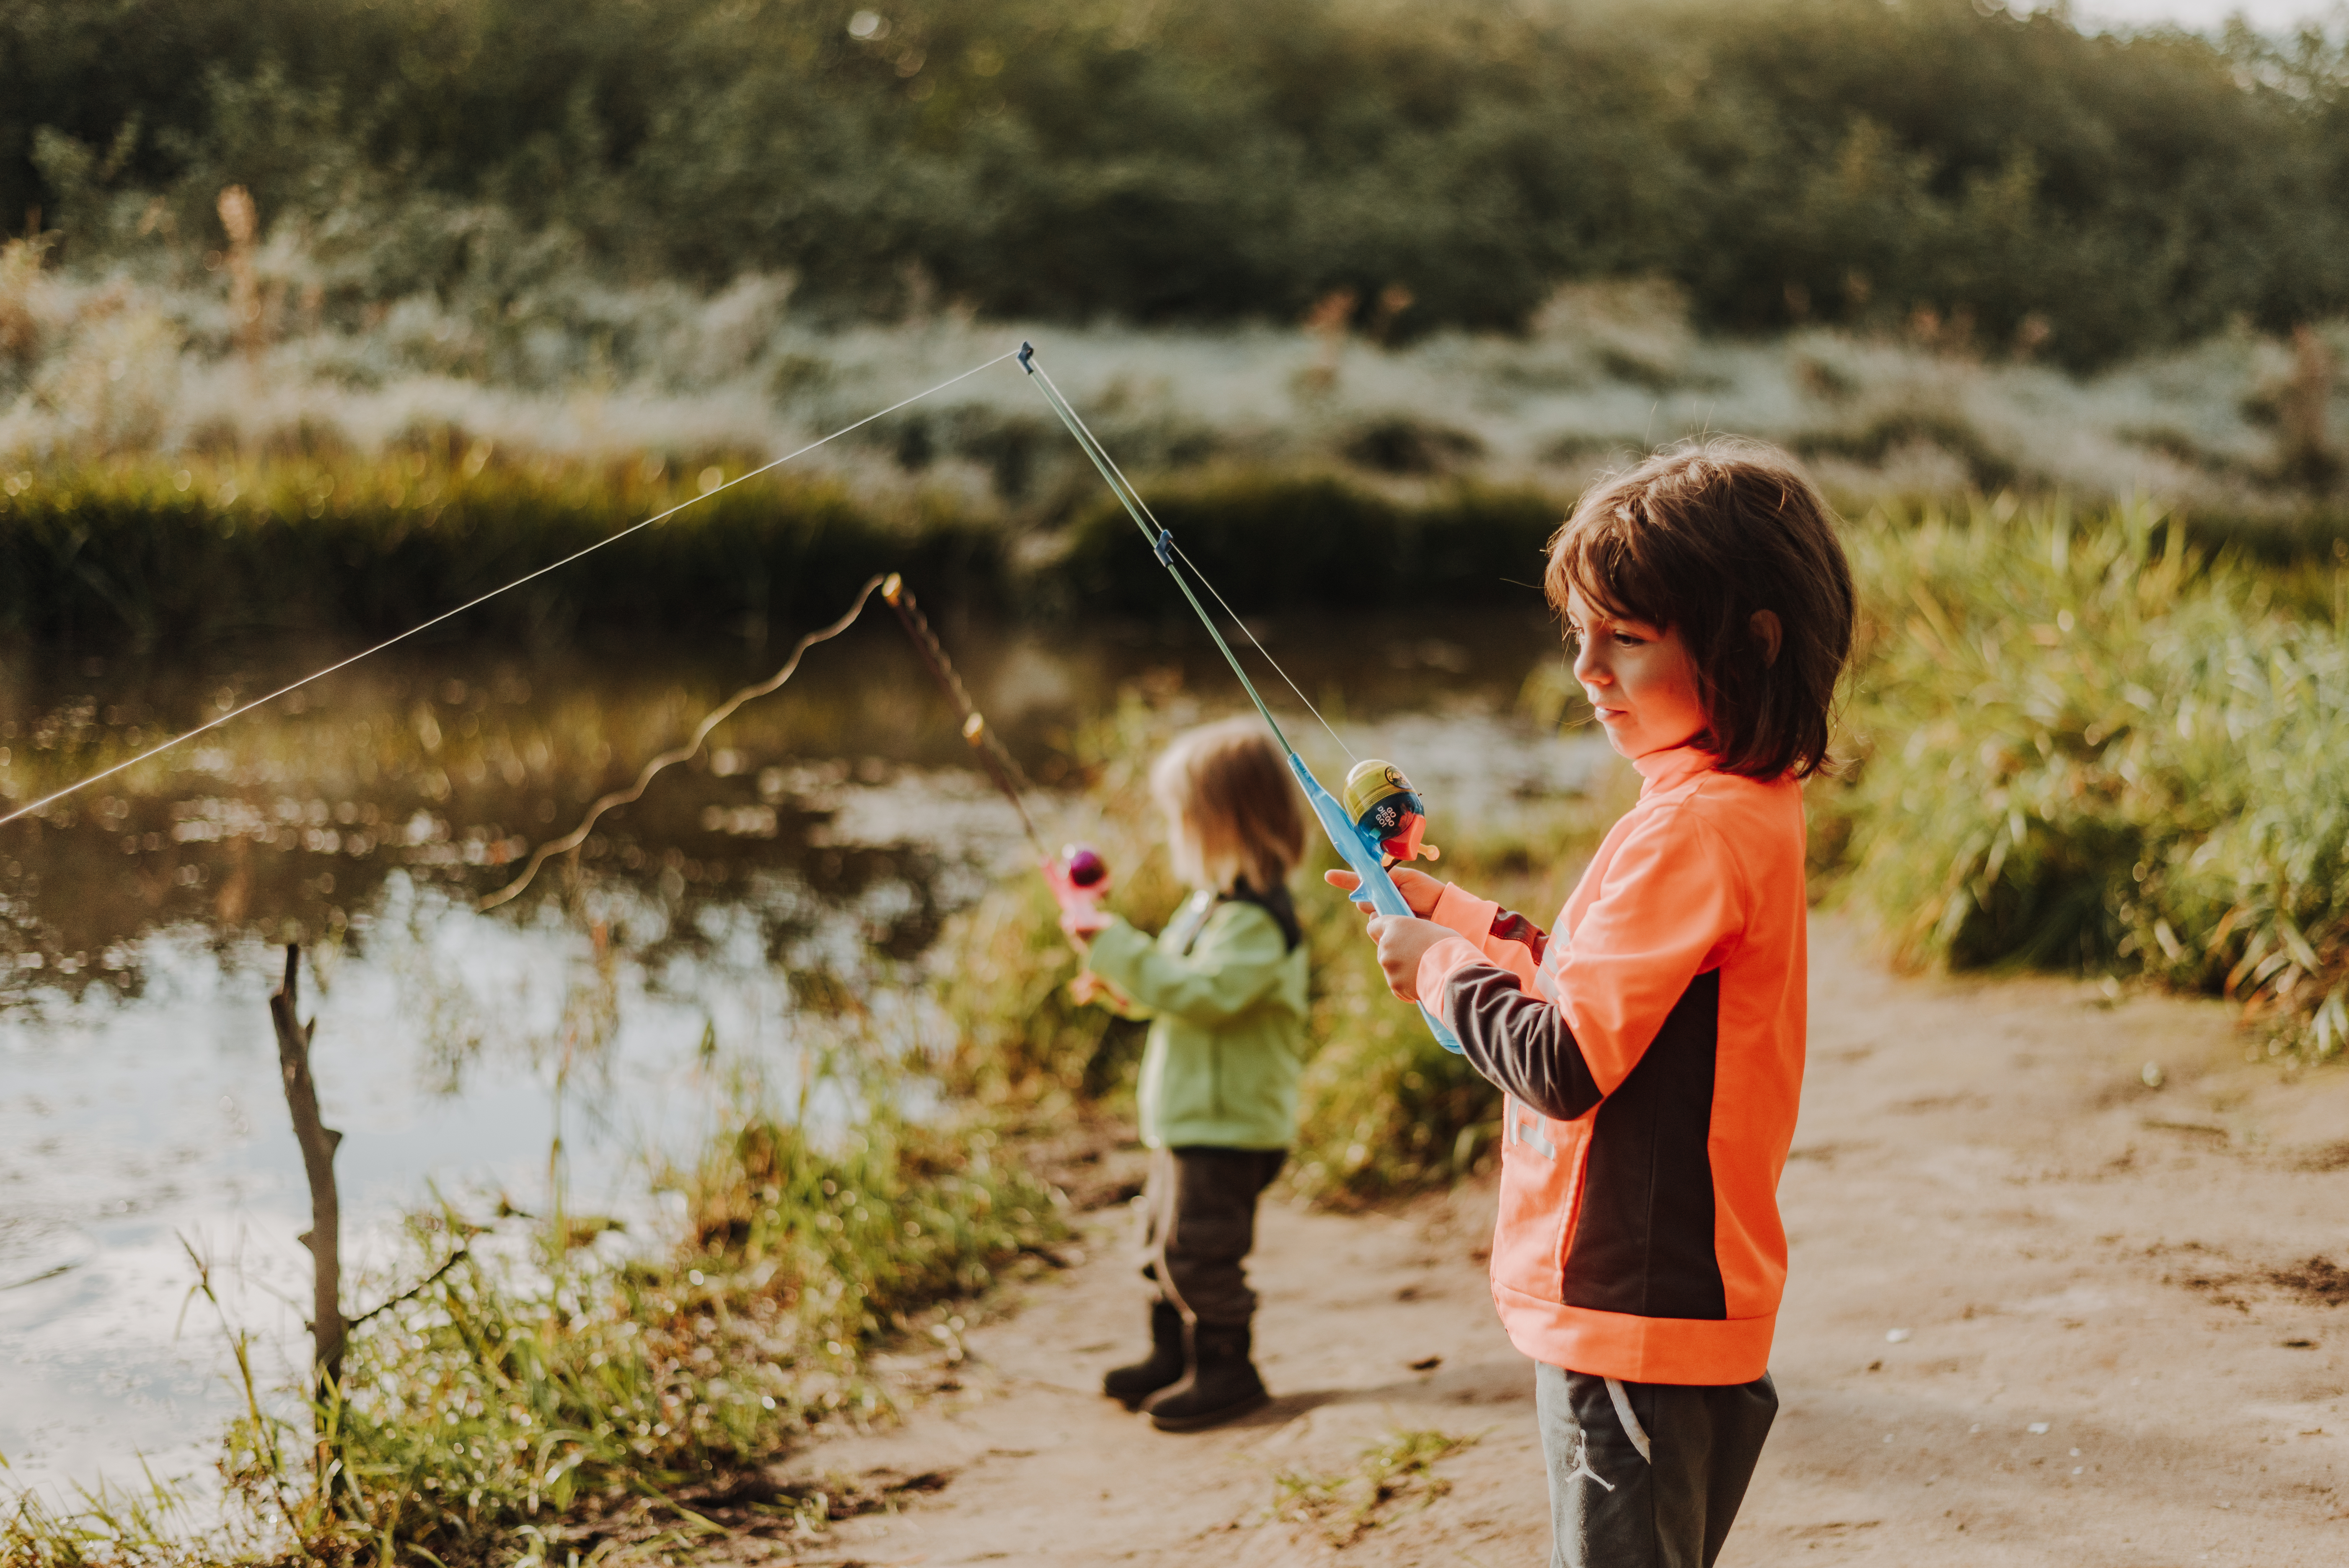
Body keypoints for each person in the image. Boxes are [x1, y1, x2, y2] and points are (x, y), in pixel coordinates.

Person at [1333, 440, 1855, 1568]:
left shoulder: (1687, 828)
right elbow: (1603, 986)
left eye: (1625, 637)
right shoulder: (1738, 801)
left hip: (1634, 1314)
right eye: (1578, 633)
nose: (1586, 667)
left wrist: (1434, 968)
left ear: (1749, 645)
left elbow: (1562, 1060)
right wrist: (1460, 922)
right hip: (1679, 1298)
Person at [1062, 715, 1310, 1433]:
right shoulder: (1209, 907)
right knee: (1160, 1247)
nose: (1173, 835)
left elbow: (1204, 995)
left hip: (1229, 1126)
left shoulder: (1258, 922)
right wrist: (1117, 976)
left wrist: (1119, 947)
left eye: (1182, 820)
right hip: (1186, 1119)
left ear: (1225, 824)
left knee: (1199, 1253)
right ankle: (1171, 1355)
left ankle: (1230, 1371)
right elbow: (1170, 982)